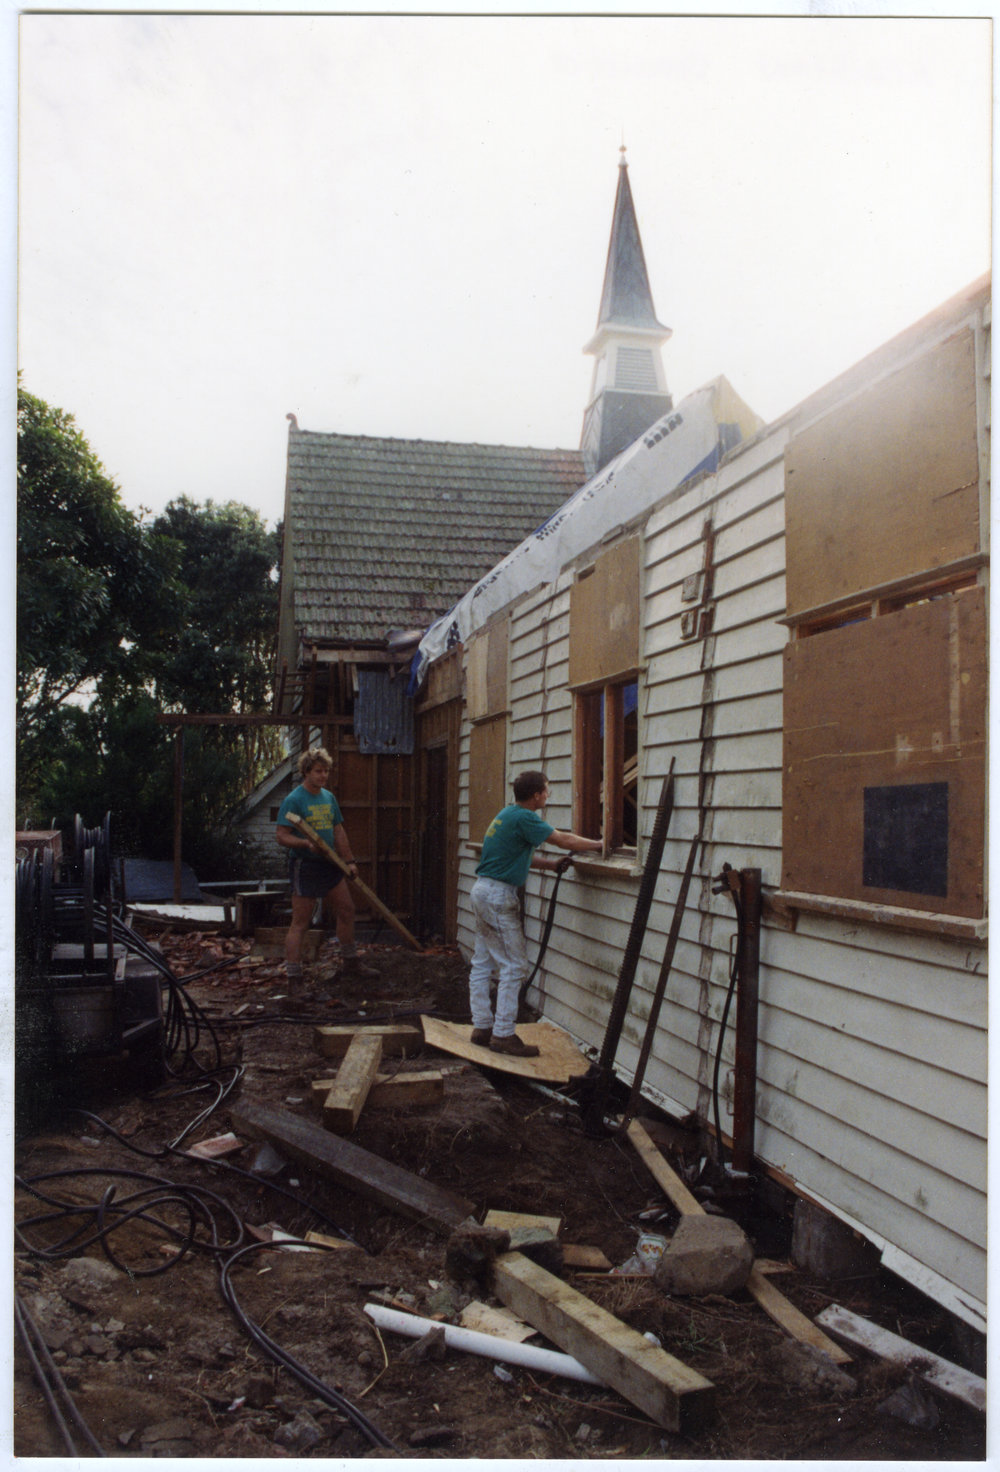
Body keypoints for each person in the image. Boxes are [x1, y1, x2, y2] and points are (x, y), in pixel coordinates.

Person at [469, 770, 603, 1056]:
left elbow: (518, 858)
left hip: (482, 890)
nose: (548, 795)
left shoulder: (507, 814)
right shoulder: (527, 818)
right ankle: (503, 1034)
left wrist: (552, 866)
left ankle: (482, 1026)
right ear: (536, 795)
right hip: (497, 896)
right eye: (546, 790)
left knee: (483, 961)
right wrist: (601, 844)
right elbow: (563, 840)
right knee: (514, 966)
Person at [276, 748, 379, 993]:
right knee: (301, 922)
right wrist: (305, 844)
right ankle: (294, 978)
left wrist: (350, 860)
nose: (323, 776)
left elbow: (338, 831)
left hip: (330, 863)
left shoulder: (328, 798)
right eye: (318, 771)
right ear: (306, 772)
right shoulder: (294, 799)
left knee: (346, 909)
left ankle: (351, 962)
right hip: (305, 865)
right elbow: (281, 836)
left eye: (326, 771)